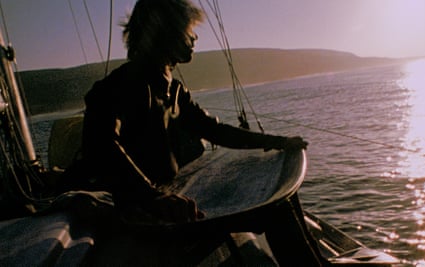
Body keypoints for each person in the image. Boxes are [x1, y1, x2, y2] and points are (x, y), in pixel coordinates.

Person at [79, 0, 308, 225]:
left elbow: (215, 131)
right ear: (167, 33)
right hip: (133, 203)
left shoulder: (176, 91)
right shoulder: (122, 85)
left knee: (276, 202)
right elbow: (101, 143)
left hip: (163, 193)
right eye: (189, 30)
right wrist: (153, 197)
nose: (195, 38)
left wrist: (278, 142)